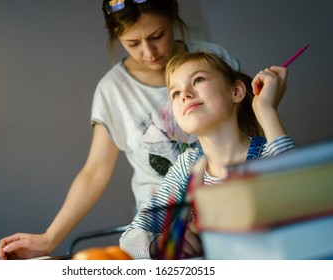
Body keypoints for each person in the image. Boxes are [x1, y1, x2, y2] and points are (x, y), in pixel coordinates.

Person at [0, 0, 240, 260]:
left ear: (173, 17)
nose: (149, 52)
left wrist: (266, 110)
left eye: (157, 36)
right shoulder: (113, 91)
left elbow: (249, 132)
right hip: (164, 226)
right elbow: (95, 172)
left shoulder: (212, 60)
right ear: (117, 37)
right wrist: (49, 238)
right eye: (133, 44)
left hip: (234, 202)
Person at [119, 50, 297, 259]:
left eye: (198, 79)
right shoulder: (187, 166)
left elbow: (303, 196)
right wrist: (158, 244)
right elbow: (129, 239)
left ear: (237, 91)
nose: (184, 94)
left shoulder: (269, 155)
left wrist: (265, 109)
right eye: (175, 93)